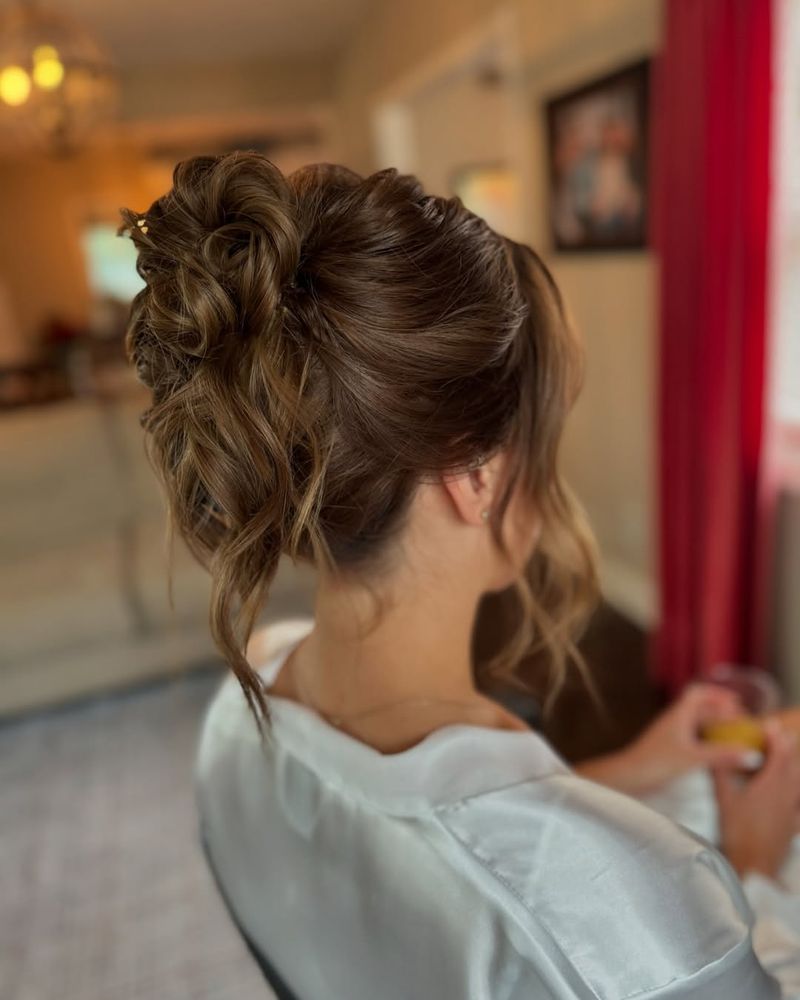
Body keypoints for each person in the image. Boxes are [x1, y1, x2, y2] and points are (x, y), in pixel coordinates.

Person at [120, 152, 787, 998]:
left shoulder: (240, 710)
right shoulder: (651, 909)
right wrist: (758, 872)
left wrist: (630, 770)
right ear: (475, 477)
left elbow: (421, 860)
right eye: (545, 440)